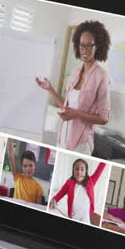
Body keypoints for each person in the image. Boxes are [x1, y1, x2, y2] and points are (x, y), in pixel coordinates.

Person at [35, 20, 113, 154]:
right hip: (62, 137)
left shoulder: (102, 76)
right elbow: (66, 108)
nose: (85, 50)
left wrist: (76, 114)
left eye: (89, 46)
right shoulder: (75, 72)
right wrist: (50, 89)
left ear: (97, 46)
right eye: (82, 45)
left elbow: (104, 118)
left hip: (81, 143)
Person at [50, 158, 106, 224]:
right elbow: (58, 196)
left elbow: (101, 167)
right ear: (73, 171)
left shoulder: (91, 182)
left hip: (86, 221)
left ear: (86, 172)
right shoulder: (69, 183)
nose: (79, 172)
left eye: (82, 169)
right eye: (77, 169)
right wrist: (54, 200)